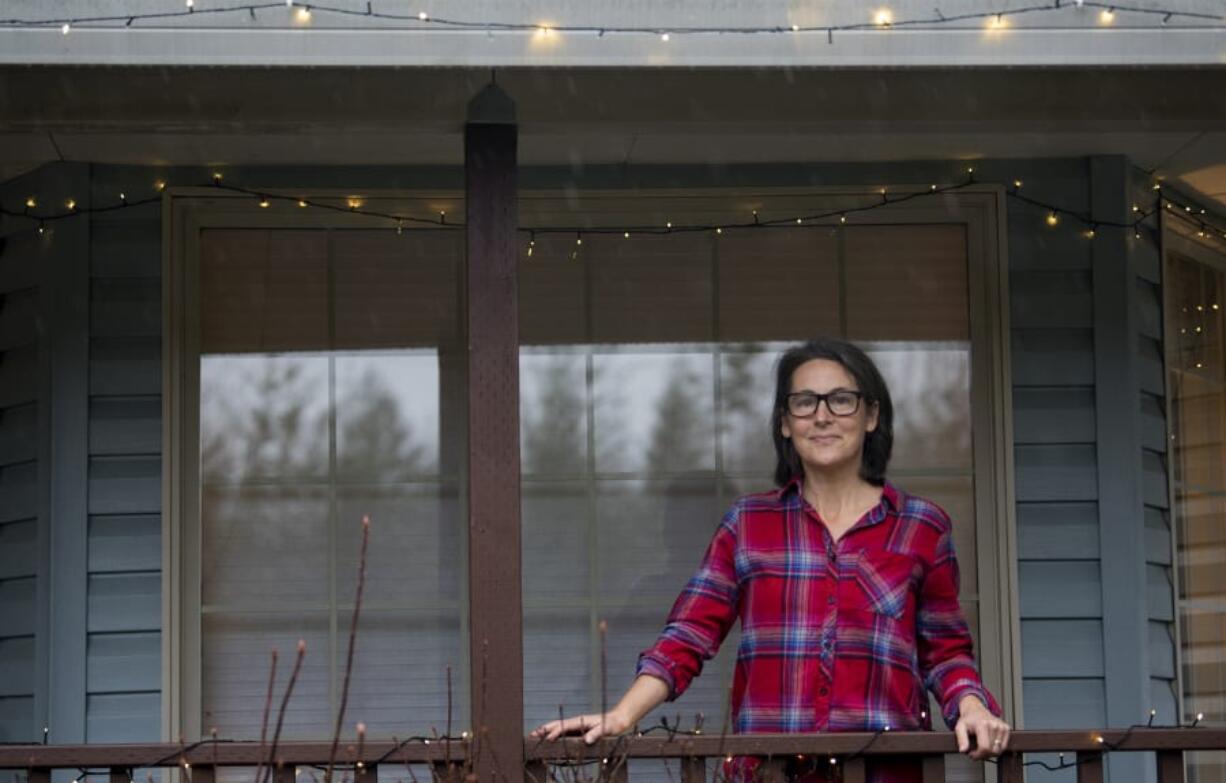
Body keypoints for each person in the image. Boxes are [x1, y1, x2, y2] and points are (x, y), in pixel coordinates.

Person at [532, 338, 1010, 781]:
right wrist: (622, 716)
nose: (822, 416)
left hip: (882, 773)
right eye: (804, 402)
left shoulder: (921, 526)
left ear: (870, 416)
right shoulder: (748, 523)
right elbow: (689, 636)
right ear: (785, 422)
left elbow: (945, 652)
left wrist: (972, 706)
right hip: (766, 774)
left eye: (841, 399)